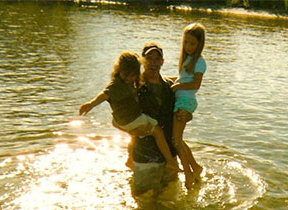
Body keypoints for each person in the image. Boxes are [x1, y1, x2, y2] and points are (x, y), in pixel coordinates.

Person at [79, 51, 181, 172]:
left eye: (132, 76)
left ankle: (130, 158)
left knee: (134, 135)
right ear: (119, 71)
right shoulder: (115, 85)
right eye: (125, 75)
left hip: (125, 119)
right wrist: (91, 104)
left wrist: (180, 79)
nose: (128, 79)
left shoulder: (133, 81)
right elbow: (104, 95)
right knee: (158, 131)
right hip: (131, 118)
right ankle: (170, 161)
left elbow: (162, 79)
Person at [130, 42, 192, 195]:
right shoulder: (134, 87)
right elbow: (119, 119)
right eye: (149, 58)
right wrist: (133, 129)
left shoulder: (171, 87)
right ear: (142, 61)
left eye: (157, 59)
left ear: (162, 62)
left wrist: (188, 115)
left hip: (169, 158)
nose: (153, 63)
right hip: (145, 158)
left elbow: (184, 110)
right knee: (143, 204)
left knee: (170, 202)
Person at [170, 23, 206, 189]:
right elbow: (182, 78)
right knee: (179, 140)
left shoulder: (199, 61)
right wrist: (170, 81)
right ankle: (196, 167)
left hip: (185, 102)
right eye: (186, 42)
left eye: (192, 43)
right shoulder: (187, 60)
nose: (188, 46)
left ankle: (188, 173)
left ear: (199, 44)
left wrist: (177, 87)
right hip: (181, 100)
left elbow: (195, 84)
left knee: (176, 140)